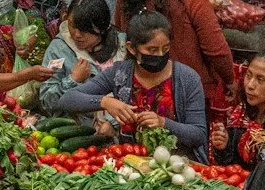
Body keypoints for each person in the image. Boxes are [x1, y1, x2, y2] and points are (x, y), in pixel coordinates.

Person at [51, 11, 210, 156]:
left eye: (166, 48)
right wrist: (105, 102)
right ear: (132, 49)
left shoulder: (187, 78)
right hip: (130, 161)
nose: (160, 55)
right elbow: (67, 99)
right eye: (152, 50)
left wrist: (164, 123)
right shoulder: (120, 73)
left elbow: (199, 135)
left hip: (177, 166)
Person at [119, 0, 237, 107]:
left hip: (141, 87)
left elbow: (121, 28)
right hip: (189, 92)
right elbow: (216, 50)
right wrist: (230, 80)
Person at [40, 0, 115, 110]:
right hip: (78, 124)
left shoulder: (121, 46)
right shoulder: (58, 52)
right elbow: (46, 101)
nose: (76, 34)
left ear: (102, 27)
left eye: (84, 29)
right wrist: (73, 79)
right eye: (73, 26)